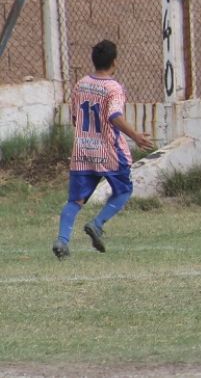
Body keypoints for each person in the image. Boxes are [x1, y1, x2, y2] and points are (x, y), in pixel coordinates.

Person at [52, 40, 154, 259]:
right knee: (124, 190)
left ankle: (62, 240)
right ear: (114, 62)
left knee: (75, 201)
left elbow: (74, 118)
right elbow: (114, 115)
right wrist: (135, 135)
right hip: (109, 151)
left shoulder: (80, 84)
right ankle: (97, 225)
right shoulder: (113, 88)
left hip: (82, 151)